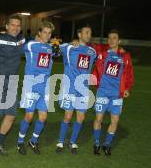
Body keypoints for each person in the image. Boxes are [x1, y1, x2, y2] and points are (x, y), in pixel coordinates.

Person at [0, 14, 25, 157]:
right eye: (12, 25)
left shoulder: (22, 41)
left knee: (11, 115)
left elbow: (39, 41)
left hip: (12, 82)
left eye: (18, 25)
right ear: (7, 26)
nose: (15, 27)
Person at [92, 29, 134, 155]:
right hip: (103, 92)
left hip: (117, 94)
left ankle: (107, 144)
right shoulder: (103, 53)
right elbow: (90, 44)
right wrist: (77, 41)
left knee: (114, 120)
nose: (111, 40)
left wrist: (127, 88)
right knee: (98, 118)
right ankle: (96, 143)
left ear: (119, 41)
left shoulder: (125, 56)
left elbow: (130, 74)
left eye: (114, 38)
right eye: (109, 38)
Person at [56, 26, 97, 154]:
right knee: (68, 116)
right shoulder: (69, 47)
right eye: (86, 32)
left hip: (83, 89)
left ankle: (72, 142)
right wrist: (68, 42)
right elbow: (55, 45)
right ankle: (60, 142)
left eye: (90, 32)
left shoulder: (92, 51)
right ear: (79, 34)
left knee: (80, 117)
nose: (89, 34)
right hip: (70, 88)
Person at [17, 21, 55, 154]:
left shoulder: (52, 48)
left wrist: (74, 41)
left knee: (43, 117)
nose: (47, 35)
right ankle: (20, 142)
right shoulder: (31, 45)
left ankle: (33, 140)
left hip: (44, 86)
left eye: (49, 33)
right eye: (44, 32)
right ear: (39, 33)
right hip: (31, 85)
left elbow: (65, 48)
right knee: (29, 116)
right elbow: (17, 45)